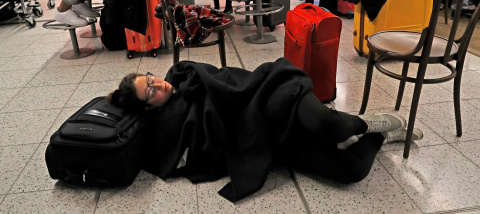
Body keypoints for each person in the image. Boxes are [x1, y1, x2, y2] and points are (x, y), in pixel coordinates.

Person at [107, 58, 423, 202]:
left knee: (330, 125)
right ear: (149, 107)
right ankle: (379, 134)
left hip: (275, 94)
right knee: (350, 171)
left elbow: (231, 81)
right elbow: (196, 153)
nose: (157, 84)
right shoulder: (168, 122)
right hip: (268, 138)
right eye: (150, 92)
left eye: (150, 79)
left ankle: (373, 121)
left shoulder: (186, 74)